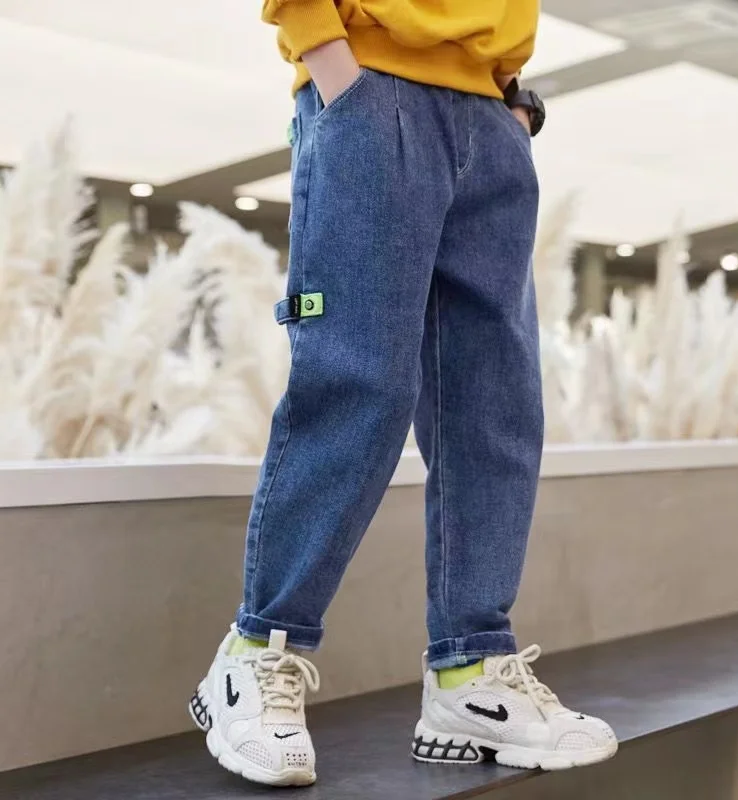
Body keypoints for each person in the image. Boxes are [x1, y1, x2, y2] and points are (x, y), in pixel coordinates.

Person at [189, 0, 618, 786]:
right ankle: (256, 653)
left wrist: (509, 98)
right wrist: (333, 66)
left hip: (492, 115)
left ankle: (470, 673)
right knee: (360, 386)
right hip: (369, 88)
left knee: (494, 408)